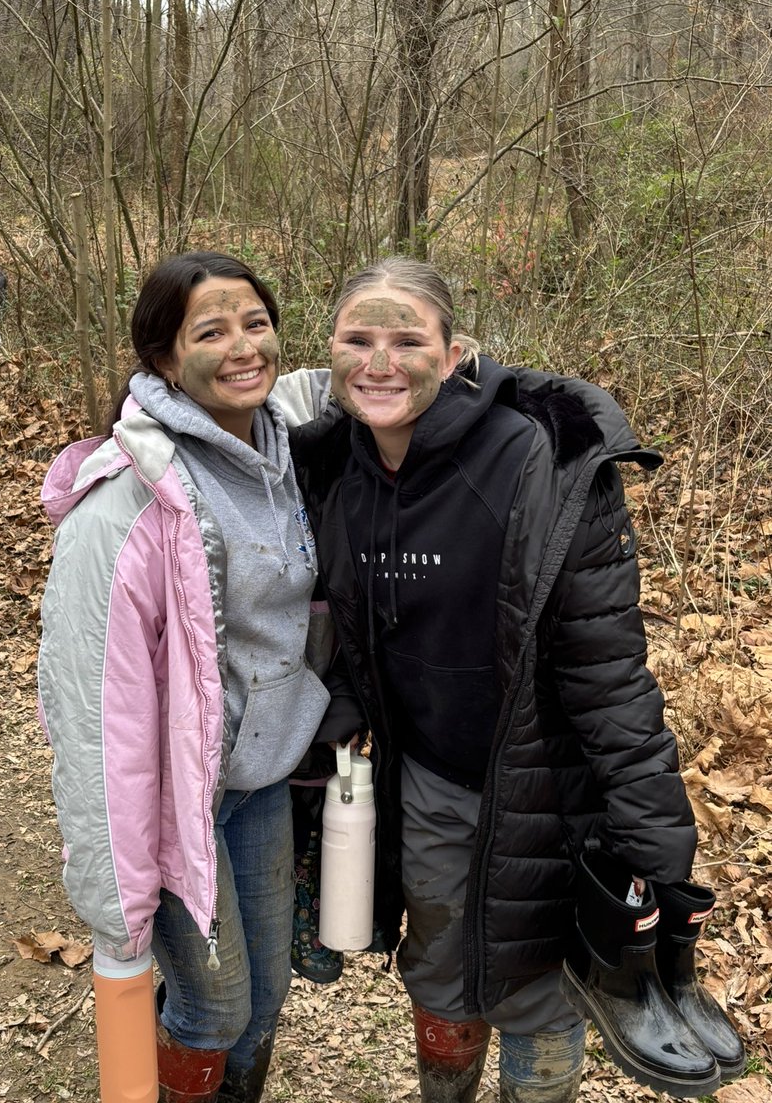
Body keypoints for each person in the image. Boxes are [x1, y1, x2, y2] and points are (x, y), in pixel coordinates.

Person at [280, 257, 701, 1101]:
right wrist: (346, 707)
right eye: (358, 339)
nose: (380, 361)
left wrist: (654, 832)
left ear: (456, 349)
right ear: (328, 353)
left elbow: (608, 667)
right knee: (441, 975)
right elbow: (355, 621)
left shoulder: (545, 460)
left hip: (549, 790)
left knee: (541, 994)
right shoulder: (330, 467)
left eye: (407, 339)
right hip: (426, 781)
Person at [38, 252, 349, 1103]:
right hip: (180, 803)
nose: (244, 346)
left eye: (256, 323)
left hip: (264, 780)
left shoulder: (278, 438)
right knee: (214, 1011)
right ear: (165, 360)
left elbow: (349, 377)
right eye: (211, 331)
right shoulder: (127, 504)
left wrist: (476, 370)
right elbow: (91, 714)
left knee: (267, 997)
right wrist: (115, 910)